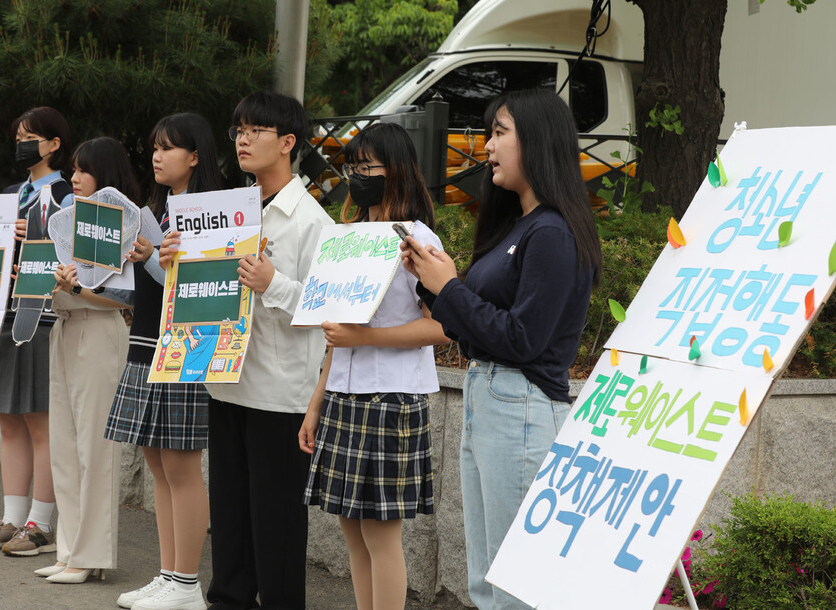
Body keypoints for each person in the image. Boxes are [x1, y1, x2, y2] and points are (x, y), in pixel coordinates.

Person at [401, 90, 602, 610]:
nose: (487, 145)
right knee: (487, 581)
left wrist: (449, 289)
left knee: (514, 588)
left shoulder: (553, 232)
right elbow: (476, 329)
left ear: (537, 140)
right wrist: (431, 283)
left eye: (500, 132)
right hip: (492, 401)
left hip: (522, 409)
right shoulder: (519, 226)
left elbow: (522, 339)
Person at [159, 91, 333, 609]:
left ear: (287, 143)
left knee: (276, 528)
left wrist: (273, 282)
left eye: (255, 130)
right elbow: (202, 294)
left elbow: (326, 312)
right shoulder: (228, 210)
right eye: (238, 129)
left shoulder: (311, 221)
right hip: (226, 381)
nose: (241, 138)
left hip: (280, 397)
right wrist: (174, 261)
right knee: (230, 522)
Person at [299, 122, 449, 610]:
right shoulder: (347, 236)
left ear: (396, 171)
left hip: (392, 398)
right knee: (353, 532)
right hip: (344, 394)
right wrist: (316, 404)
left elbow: (442, 326)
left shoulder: (418, 239)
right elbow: (337, 335)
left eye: (367, 167)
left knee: (381, 536)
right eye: (352, 167)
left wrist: (367, 337)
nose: (356, 176)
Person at [105, 113, 223, 610]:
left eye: (168, 147)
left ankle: (186, 582)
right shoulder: (160, 209)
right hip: (146, 340)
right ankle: (168, 575)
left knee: (180, 466)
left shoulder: (212, 212)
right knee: (157, 464)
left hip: (185, 347)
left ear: (194, 156)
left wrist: (153, 255)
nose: (156, 155)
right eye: (154, 147)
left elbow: (202, 285)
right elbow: (152, 278)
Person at [0, 106, 73, 556]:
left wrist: (39, 232)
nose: (22, 144)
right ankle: (10, 519)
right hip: (2, 315)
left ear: (54, 144)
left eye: (31, 137)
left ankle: (39, 525)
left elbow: (81, 259)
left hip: (44, 317)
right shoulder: (8, 195)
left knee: (41, 423)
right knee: (9, 420)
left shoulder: (68, 195)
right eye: (18, 137)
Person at [37, 137, 138, 584]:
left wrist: (76, 289)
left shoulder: (123, 222)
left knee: (95, 447)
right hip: (65, 328)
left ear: (106, 174)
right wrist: (54, 285)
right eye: (72, 170)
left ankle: (91, 553)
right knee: (64, 442)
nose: (73, 178)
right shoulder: (69, 223)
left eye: (82, 170)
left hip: (99, 333)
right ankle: (69, 550)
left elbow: (120, 298)